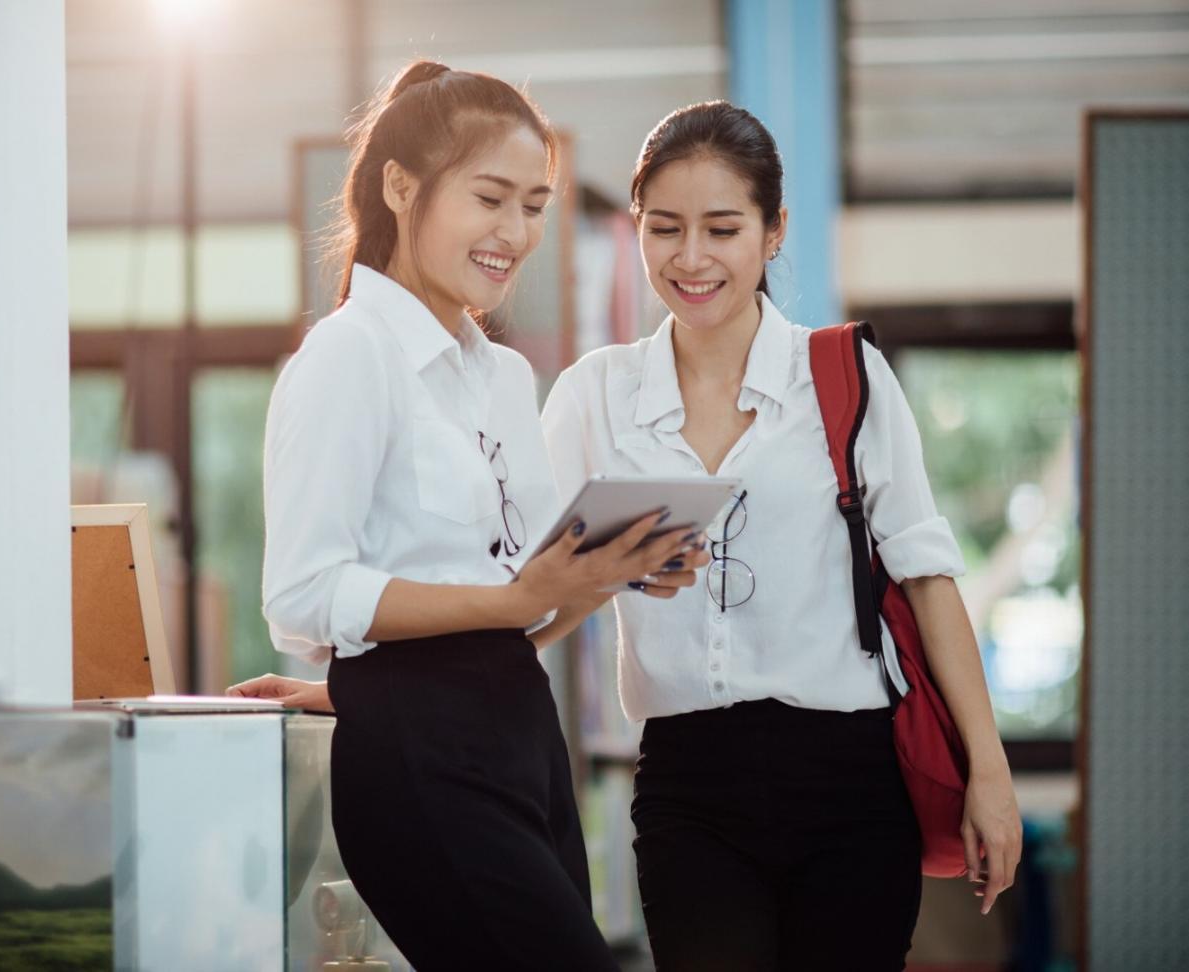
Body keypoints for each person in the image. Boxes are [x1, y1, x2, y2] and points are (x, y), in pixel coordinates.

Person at [232, 61, 704, 971]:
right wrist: (495, 611)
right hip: (416, 757)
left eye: (534, 205)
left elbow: (516, 596)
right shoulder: (348, 356)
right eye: (491, 198)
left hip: (518, 732)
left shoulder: (499, 374)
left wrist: (606, 571)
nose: (516, 232)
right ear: (400, 188)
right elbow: (302, 594)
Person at [537, 100, 1024, 971]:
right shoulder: (592, 396)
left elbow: (925, 575)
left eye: (721, 228)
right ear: (636, 229)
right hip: (689, 782)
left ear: (772, 233)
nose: (690, 258)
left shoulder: (844, 376)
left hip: (851, 778)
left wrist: (988, 773)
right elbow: (532, 597)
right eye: (664, 228)